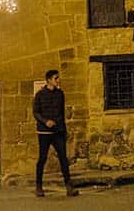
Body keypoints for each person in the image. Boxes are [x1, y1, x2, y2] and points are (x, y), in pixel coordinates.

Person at [33, 69, 79, 197]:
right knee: (42, 158)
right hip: (44, 132)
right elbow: (36, 112)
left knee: (63, 158)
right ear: (48, 80)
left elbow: (61, 113)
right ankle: (39, 186)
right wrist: (45, 121)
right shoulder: (40, 95)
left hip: (58, 131)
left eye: (58, 78)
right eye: (56, 78)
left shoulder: (60, 94)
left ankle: (69, 186)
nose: (58, 81)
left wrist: (64, 129)